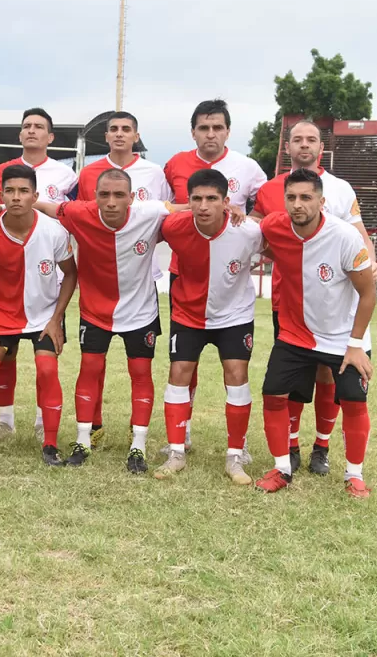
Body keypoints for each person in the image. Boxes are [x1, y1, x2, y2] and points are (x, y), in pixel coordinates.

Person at [0, 168, 171, 473]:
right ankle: (82, 441)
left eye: (119, 195)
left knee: (140, 372)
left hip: (141, 310)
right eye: (104, 194)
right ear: (94, 197)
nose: (110, 201)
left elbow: (191, 209)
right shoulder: (79, 212)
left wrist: (227, 209)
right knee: (90, 369)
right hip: (95, 310)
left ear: (132, 198)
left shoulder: (150, 212)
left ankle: (138, 446)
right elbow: (37, 204)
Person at [251, 120, 377, 476]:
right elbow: (255, 232)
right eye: (297, 139)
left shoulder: (340, 190)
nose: (304, 145)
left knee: (331, 377)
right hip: (289, 304)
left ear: (321, 146)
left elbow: (358, 235)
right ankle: (288, 452)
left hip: (336, 311)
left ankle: (323, 448)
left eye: (311, 139)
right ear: (287, 147)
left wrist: (368, 263)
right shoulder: (269, 191)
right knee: (287, 382)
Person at [162, 99, 267, 454]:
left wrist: (243, 217)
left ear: (227, 131)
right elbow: (160, 213)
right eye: (204, 128)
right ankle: (182, 434)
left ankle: (239, 445)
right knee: (182, 366)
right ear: (193, 131)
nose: (210, 134)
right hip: (186, 274)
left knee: (235, 370)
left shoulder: (248, 167)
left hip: (230, 274)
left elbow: (266, 209)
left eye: (217, 127)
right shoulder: (175, 164)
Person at [0, 107, 78, 442]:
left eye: (23, 192)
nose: (16, 196)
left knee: (47, 368)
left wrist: (57, 319)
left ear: (36, 195)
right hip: (3, 312)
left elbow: (71, 272)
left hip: (45, 310)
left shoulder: (57, 215)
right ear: (1, 194)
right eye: (10, 192)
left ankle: (45, 434)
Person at [155, 169, 263, 485]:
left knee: (237, 377)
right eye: (197, 199)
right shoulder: (174, 227)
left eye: (212, 199)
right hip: (188, 314)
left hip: (234, 316)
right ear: (188, 201)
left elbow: (276, 247)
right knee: (178, 374)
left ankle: (235, 456)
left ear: (226, 202)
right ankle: (176, 452)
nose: (203, 206)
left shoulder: (249, 233)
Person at [74, 111, 171, 447]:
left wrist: (138, 239)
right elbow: (79, 214)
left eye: (125, 129)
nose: (118, 134)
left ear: (136, 135)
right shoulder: (87, 173)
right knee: (91, 365)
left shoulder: (154, 172)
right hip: (97, 283)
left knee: (141, 371)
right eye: (113, 129)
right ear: (105, 136)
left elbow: (169, 214)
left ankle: (138, 439)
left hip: (140, 280)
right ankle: (92, 429)